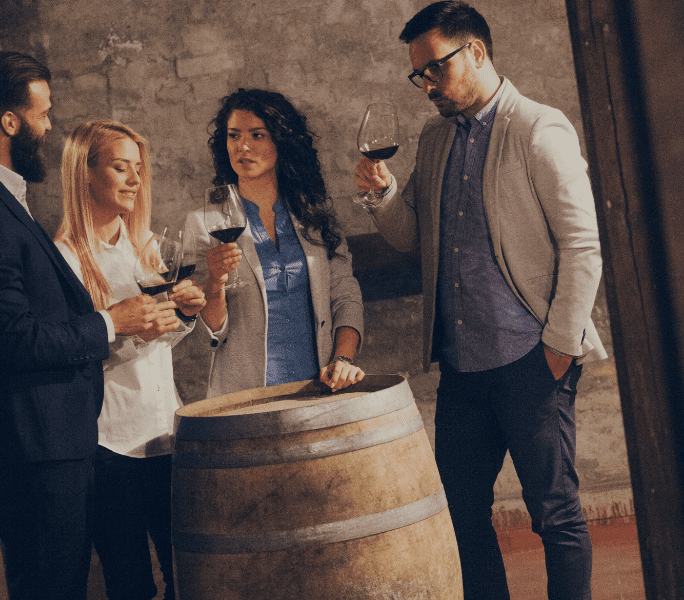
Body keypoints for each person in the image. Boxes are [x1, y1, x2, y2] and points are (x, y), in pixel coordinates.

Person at [354, 3, 606, 598]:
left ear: (476, 51)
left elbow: (583, 244)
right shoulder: (435, 137)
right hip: (463, 369)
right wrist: (383, 196)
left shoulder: (539, 128)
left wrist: (559, 349)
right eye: (418, 75)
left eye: (435, 69)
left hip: (532, 362)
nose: (427, 86)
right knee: (460, 515)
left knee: (555, 516)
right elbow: (414, 238)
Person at [0, 52, 169, 600]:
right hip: (39, 449)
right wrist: (109, 322)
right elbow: (13, 338)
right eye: (43, 114)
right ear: (10, 121)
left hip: (56, 445)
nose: (49, 127)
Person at [54, 120, 204, 600]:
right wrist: (126, 326)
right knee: (130, 584)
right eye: (121, 167)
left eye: (138, 168)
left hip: (166, 434)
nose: (135, 180)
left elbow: (158, 344)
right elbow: (66, 355)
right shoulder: (66, 259)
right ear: (86, 174)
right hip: (110, 446)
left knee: (191, 575)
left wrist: (184, 314)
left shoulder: (148, 249)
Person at [186, 88, 365, 397]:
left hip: (319, 390)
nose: (242, 146)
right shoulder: (205, 224)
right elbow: (211, 333)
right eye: (233, 136)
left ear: (281, 141)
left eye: (257, 135)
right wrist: (214, 282)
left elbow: (345, 296)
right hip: (246, 399)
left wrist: (343, 358)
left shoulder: (315, 218)